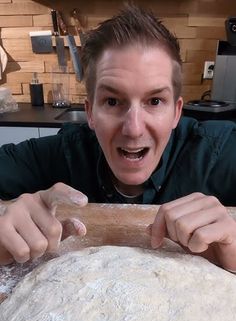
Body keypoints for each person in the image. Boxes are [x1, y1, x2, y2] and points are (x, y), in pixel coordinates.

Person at [0, 3, 236, 271]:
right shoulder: (64, 152)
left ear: (176, 113)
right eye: (112, 101)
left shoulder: (217, 151)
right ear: (90, 113)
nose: (133, 129)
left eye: (155, 101)